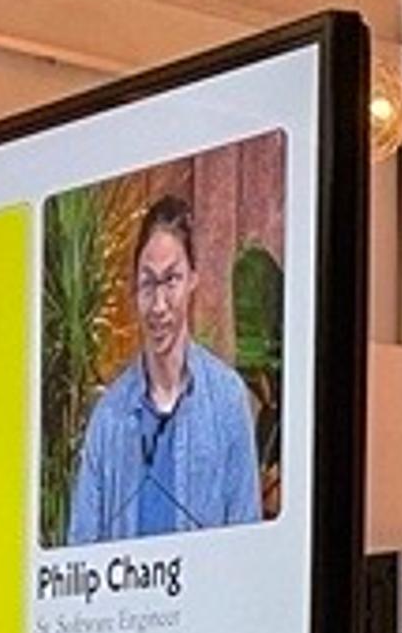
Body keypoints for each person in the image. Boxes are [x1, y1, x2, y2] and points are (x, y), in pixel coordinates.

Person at [62, 195, 264, 546]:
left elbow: (247, 544)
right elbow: (81, 552)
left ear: (192, 281)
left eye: (171, 280)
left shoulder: (227, 399)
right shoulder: (108, 416)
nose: (158, 306)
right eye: (148, 284)